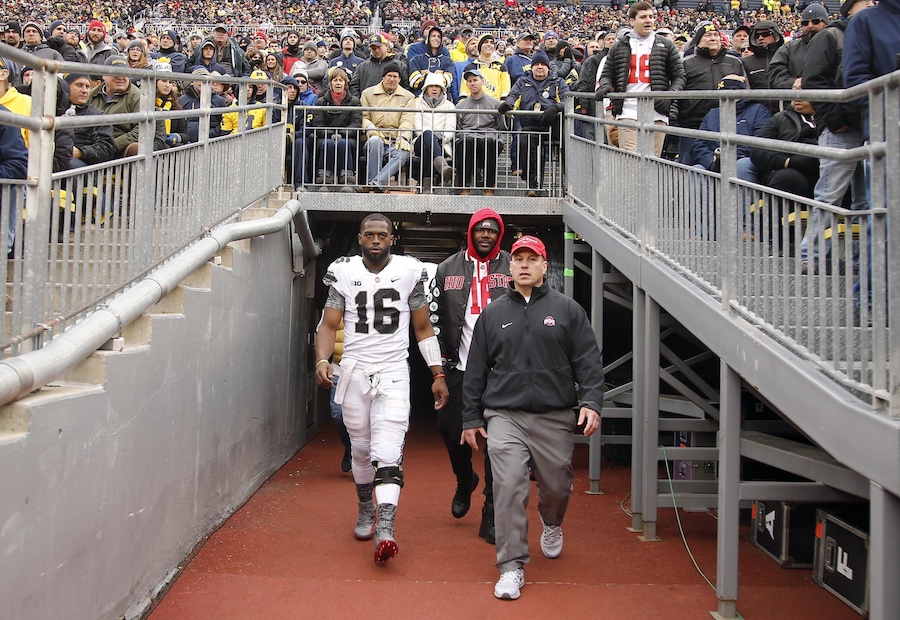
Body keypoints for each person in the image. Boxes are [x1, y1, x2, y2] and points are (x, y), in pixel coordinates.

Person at [461, 234, 604, 601]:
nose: (524, 264)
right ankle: (511, 566)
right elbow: (476, 368)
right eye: (519, 259)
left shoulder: (569, 310)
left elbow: (587, 360)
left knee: (557, 485)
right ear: (509, 267)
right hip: (504, 415)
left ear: (544, 266)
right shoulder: (493, 313)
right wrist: (471, 418)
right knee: (508, 486)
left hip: (554, 414)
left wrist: (591, 401)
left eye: (532, 259)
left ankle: (552, 522)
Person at [314, 213, 449, 563]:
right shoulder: (343, 272)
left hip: (392, 371)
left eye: (382, 235)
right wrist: (322, 360)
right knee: (360, 449)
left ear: (392, 238)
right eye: (369, 234)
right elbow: (328, 324)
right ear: (359, 238)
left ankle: (386, 527)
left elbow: (423, 328)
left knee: (387, 448)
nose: (376, 240)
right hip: (354, 371)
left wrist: (437, 373)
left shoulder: (408, 272)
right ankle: (365, 508)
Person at [429, 209, 511, 545]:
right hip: (459, 368)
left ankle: (491, 511)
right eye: (481, 229)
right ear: (471, 232)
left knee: (496, 443)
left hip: (502, 374)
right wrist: (438, 367)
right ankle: (465, 479)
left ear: (499, 234)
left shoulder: (512, 265)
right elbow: (432, 320)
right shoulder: (447, 268)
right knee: (451, 433)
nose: (486, 235)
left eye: (493, 230)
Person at [799, 0, 874, 274]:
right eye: (866, 2)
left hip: (871, 126)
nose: (872, 5)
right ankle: (810, 255)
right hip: (841, 129)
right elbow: (814, 81)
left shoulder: (872, 33)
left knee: (866, 201)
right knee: (830, 194)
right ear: (850, 8)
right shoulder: (831, 35)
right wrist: (835, 120)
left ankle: (860, 262)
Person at [597, 1, 685, 157]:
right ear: (632, 21)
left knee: (652, 160)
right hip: (627, 111)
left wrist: (669, 96)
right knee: (631, 161)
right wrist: (605, 86)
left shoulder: (665, 44)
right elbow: (607, 74)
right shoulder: (619, 46)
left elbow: (679, 75)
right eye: (643, 17)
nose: (649, 20)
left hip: (657, 112)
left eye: (651, 17)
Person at [499, 50, 568, 196]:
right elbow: (513, 96)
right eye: (536, 64)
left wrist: (556, 108)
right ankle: (531, 182)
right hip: (530, 124)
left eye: (543, 64)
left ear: (548, 67)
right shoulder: (523, 82)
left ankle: (567, 183)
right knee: (523, 141)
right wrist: (508, 105)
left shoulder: (558, 82)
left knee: (567, 143)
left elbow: (567, 101)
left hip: (554, 125)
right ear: (531, 67)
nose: (540, 67)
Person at [677, 23, 747, 165]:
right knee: (688, 170)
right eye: (708, 35)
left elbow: (745, 92)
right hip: (692, 125)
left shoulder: (734, 62)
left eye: (716, 35)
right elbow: (676, 93)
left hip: (727, 124)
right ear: (698, 40)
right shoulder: (685, 63)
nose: (713, 38)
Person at [360, 61, 415, 191]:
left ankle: (375, 184)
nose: (392, 79)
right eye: (389, 76)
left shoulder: (409, 97)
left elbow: (407, 120)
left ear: (400, 79)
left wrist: (402, 138)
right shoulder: (368, 93)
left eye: (395, 76)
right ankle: (373, 182)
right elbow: (364, 116)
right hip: (375, 136)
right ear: (383, 77)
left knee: (404, 152)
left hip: (394, 140)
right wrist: (371, 129)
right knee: (375, 141)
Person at [309, 67, 362, 190]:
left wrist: (342, 134)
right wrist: (331, 133)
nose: (338, 83)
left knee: (343, 143)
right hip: (325, 137)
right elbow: (317, 124)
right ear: (330, 83)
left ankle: (347, 180)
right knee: (328, 143)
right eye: (335, 80)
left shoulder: (354, 102)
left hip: (348, 137)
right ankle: (324, 180)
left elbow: (356, 123)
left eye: (341, 80)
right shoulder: (321, 102)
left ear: (345, 83)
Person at [454, 67, 504, 195]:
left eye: (475, 80)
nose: (472, 83)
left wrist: (498, 138)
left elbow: (501, 126)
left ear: (482, 81)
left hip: (488, 137)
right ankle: (464, 187)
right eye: (469, 81)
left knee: (488, 142)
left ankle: (489, 187)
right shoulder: (461, 105)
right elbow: (458, 127)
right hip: (468, 136)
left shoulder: (495, 103)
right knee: (467, 141)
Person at [408, 71, 455, 192]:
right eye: (431, 86)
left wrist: (440, 139)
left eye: (437, 87)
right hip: (419, 141)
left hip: (441, 143)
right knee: (427, 135)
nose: (434, 89)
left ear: (442, 89)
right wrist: (432, 136)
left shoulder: (449, 106)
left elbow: (450, 128)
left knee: (428, 148)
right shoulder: (417, 104)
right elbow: (418, 127)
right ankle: (442, 166)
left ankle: (427, 185)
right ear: (426, 89)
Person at [768, 3, 829, 90]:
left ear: (826, 23)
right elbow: (775, 72)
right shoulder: (789, 48)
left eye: (816, 21)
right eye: (805, 23)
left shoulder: (837, 45)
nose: (810, 25)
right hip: (797, 100)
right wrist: (792, 83)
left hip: (830, 100)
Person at [64, 71, 116, 168]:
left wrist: (81, 152)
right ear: (66, 87)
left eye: (87, 87)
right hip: (57, 157)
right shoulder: (53, 110)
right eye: (79, 85)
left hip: (85, 166)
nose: (84, 90)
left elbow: (106, 149)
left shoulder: (98, 116)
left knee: (68, 163)